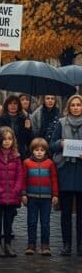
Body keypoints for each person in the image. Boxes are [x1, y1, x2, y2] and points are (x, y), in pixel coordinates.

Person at [50, 94, 82, 256]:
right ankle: (66, 244)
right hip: (66, 171)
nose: (76, 107)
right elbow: (52, 145)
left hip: (81, 172)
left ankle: (81, 246)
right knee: (66, 212)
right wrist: (60, 143)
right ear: (68, 107)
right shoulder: (61, 123)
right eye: (73, 105)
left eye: (78, 105)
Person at [0, 126, 23, 258]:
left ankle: (8, 244)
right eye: (4, 139)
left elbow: (20, 176)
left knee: (9, 221)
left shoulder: (17, 156)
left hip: (12, 196)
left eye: (9, 139)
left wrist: (16, 190)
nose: (7, 141)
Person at [20, 138, 58, 256]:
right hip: (31, 197)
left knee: (45, 222)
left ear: (46, 151)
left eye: (42, 150)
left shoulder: (50, 163)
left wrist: (55, 195)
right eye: (37, 150)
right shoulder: (26, 162)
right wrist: (23, 194)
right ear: (32, 150)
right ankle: (31, 245)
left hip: (46, 198)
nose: (39, 152)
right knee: (31, 222)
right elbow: (23, 179)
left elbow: (54, 179)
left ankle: (45, 245)